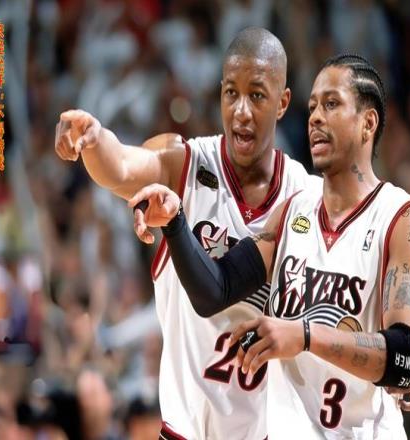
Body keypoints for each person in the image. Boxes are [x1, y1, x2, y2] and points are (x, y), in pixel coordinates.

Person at [128, 54, 410, 439]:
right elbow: (213, 292)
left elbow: (407, 358)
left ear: (367, 123)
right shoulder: (292, 213)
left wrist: (303, 336)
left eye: (332, 104)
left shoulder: (402, 218)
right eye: (313, 106)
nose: (316, 118)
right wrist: (176, 222)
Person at [55, 27, 323, 439]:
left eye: (257, 95)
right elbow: (122, 166)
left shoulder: (305, 196)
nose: (241, 110)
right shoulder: (184, 162)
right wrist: (94, 139)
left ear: (283, 102)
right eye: (231, 93)